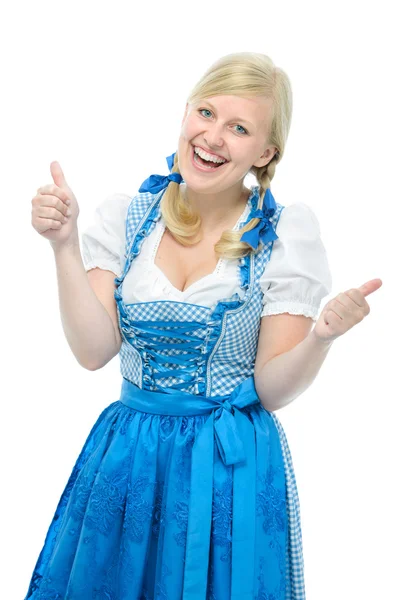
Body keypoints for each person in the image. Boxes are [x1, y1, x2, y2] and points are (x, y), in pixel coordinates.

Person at [26, 52, 382, 599]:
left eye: (239, 128)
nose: (213, 137)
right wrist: (64, 247)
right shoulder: (128, 217)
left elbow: (272, 389)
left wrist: (321, 338)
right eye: (207, 112)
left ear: (265, 153)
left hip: (227, 464)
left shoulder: (285, 236)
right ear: (187, 112)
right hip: (129, 454)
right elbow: (93, 351)